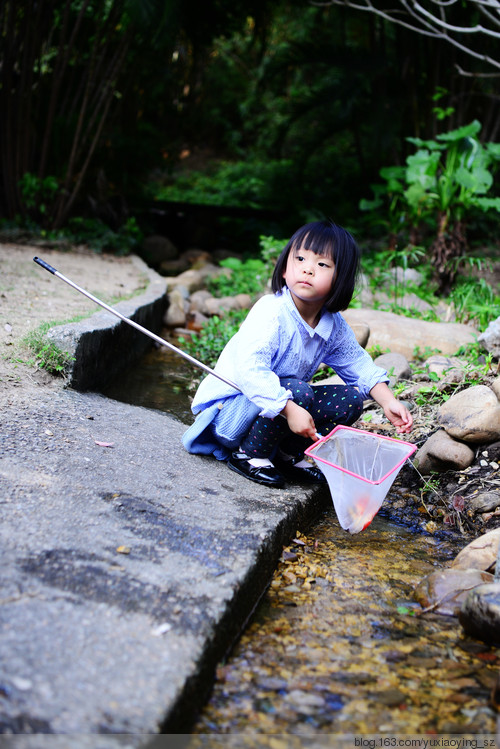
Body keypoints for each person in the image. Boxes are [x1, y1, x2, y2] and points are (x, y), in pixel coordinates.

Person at [182, 219, 413, 488]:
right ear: (283, 269)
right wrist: (290, 409)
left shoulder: (332, 325)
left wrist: (388, 402)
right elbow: (249, 368)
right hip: (232, 415)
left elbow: (357, 363)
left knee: (350, 401)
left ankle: (284, 454)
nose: (307, 269)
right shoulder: (272, 311)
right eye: (300, 258)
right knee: (299, 392)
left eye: (322, 264)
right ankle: (249, 455)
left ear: (341, 279)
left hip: (278, 408)